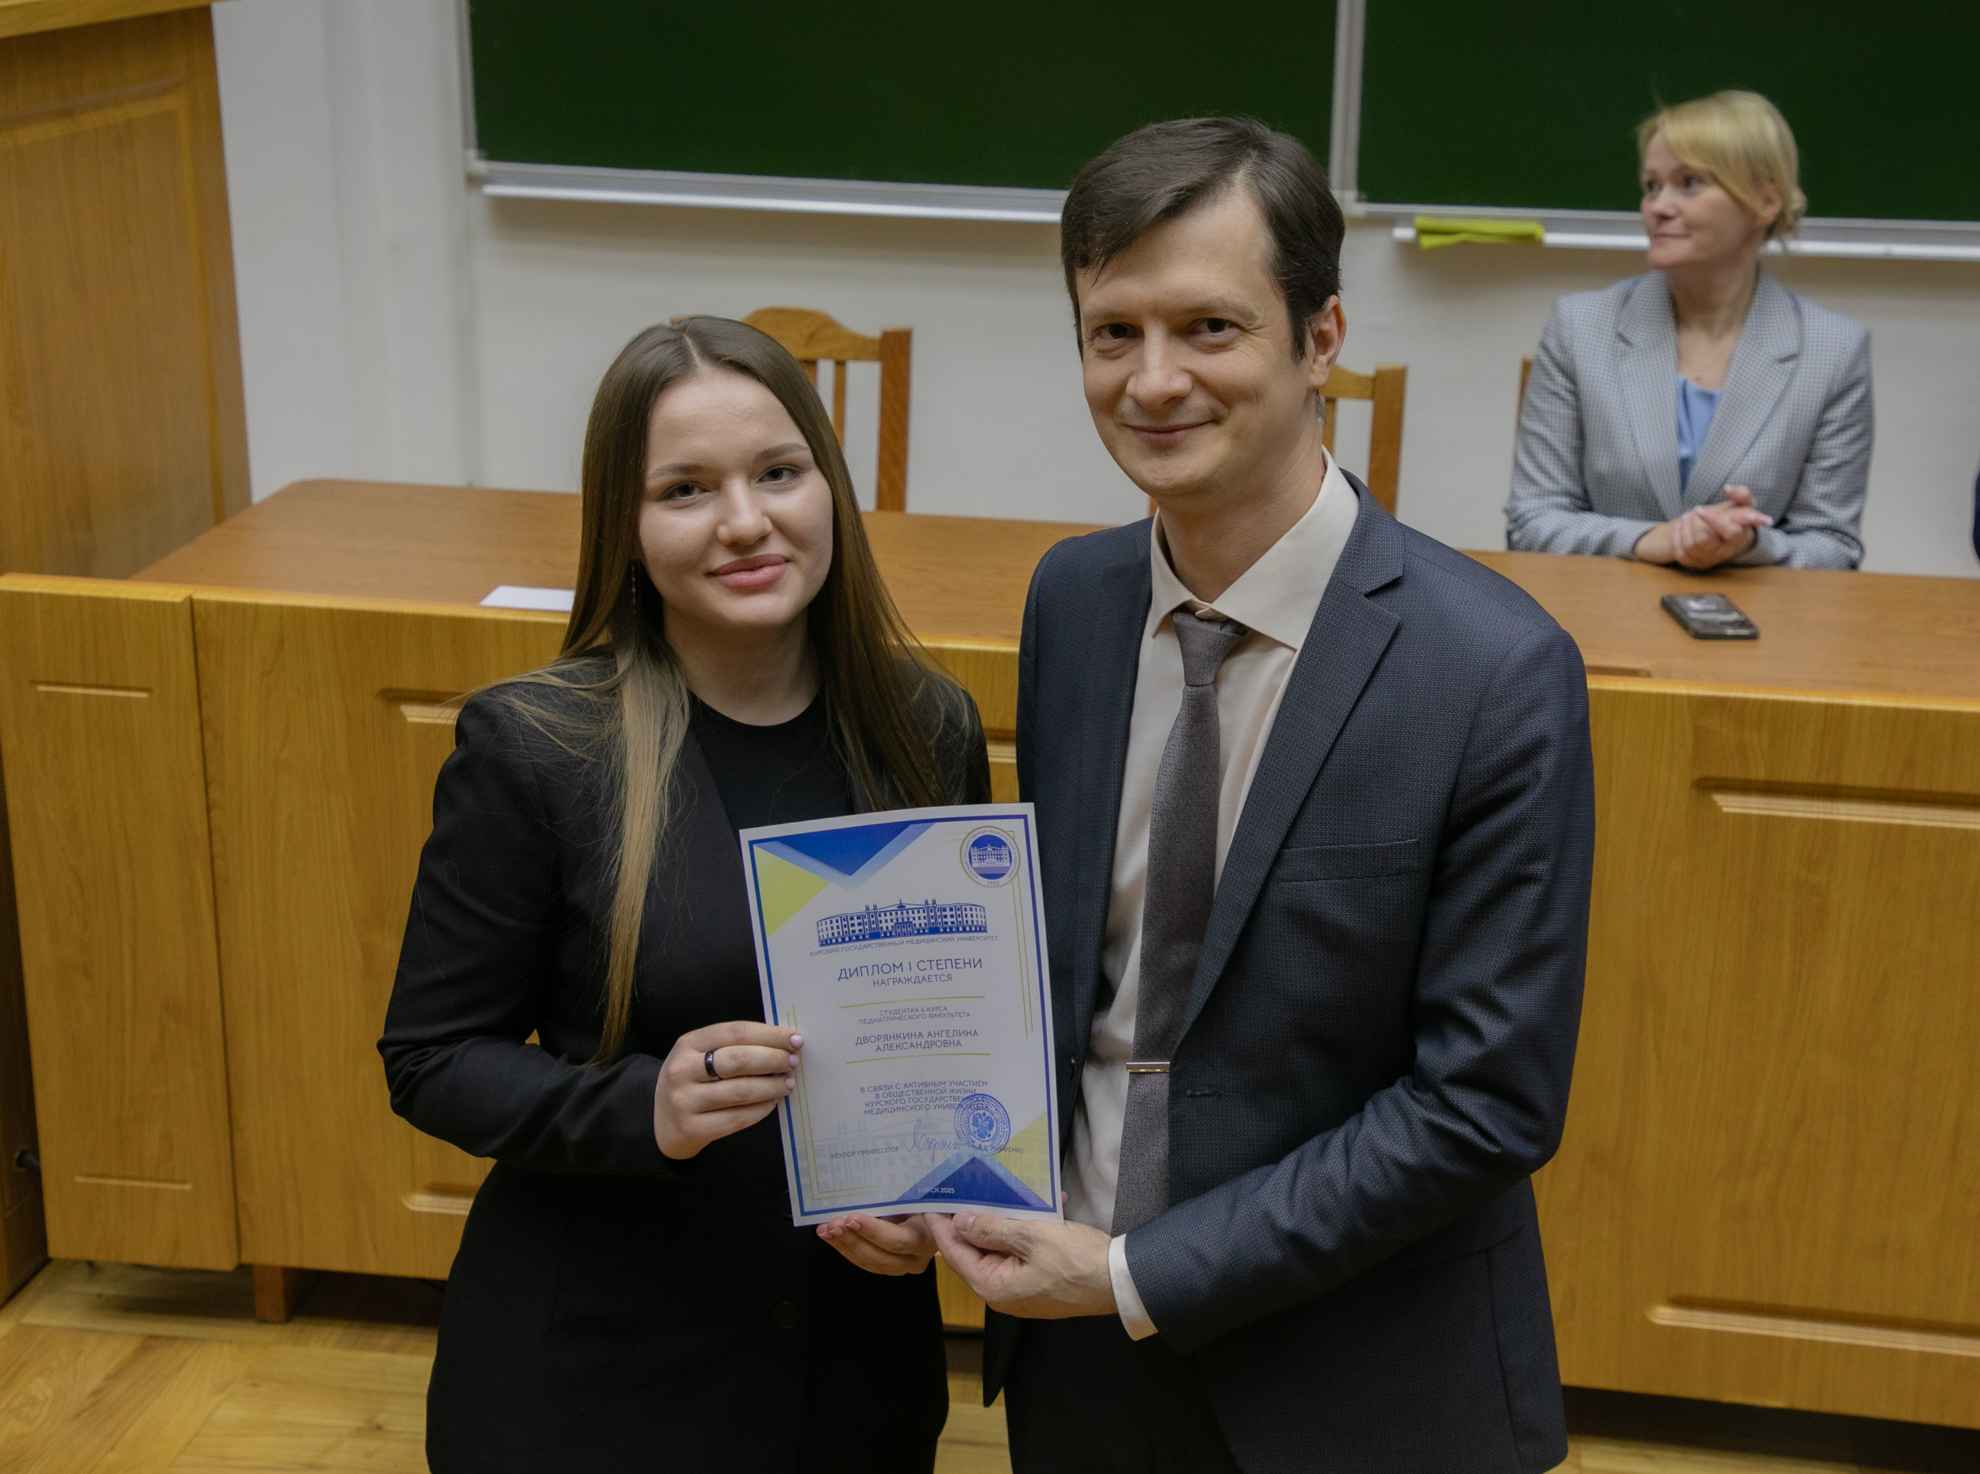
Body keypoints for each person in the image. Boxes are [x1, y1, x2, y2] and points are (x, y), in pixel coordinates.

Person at [921, 118, 1596, 1473]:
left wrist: (1139, 1271)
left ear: (1321, 337)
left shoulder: (1494, 669)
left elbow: (1484, 1102)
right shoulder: (1073, 600)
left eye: (1209, 327)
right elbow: (1071, 971)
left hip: (1357, 1383)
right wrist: (924, 1165)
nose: (1153, 380)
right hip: (1074, 1354)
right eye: (1113, 333)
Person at [378, 317, 988, 1473]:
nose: (744, 521)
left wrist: (934, 1199)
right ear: (627, 523)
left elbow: (946, 1042)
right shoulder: (537, 746)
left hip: (852, 1372)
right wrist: (645, 1104)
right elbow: (432, 1057)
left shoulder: (929, 726)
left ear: (830, 487)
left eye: (778, 472)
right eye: (685, 489)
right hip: (598, 1373)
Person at [1507, 90, 1871, 570]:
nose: (1658, 207)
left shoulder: (1834, 350)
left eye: (1689, 183)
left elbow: (1834, 546)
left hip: (1755, 611)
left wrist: (1748, 545)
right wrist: (1654, 540)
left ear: (1765, 201)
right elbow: (1531, 522)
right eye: (1651, 186)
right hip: (1598, 605)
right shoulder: (1579, 327)